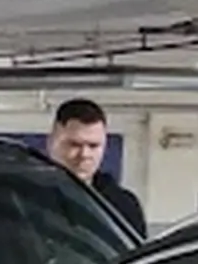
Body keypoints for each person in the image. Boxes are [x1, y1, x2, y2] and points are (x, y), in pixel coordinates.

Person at [46, 97, 148, 237]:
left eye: (93, 146)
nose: (84, 154)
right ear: (51, 143)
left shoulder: (123, 205)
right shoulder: (20, 195)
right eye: (74, 145)